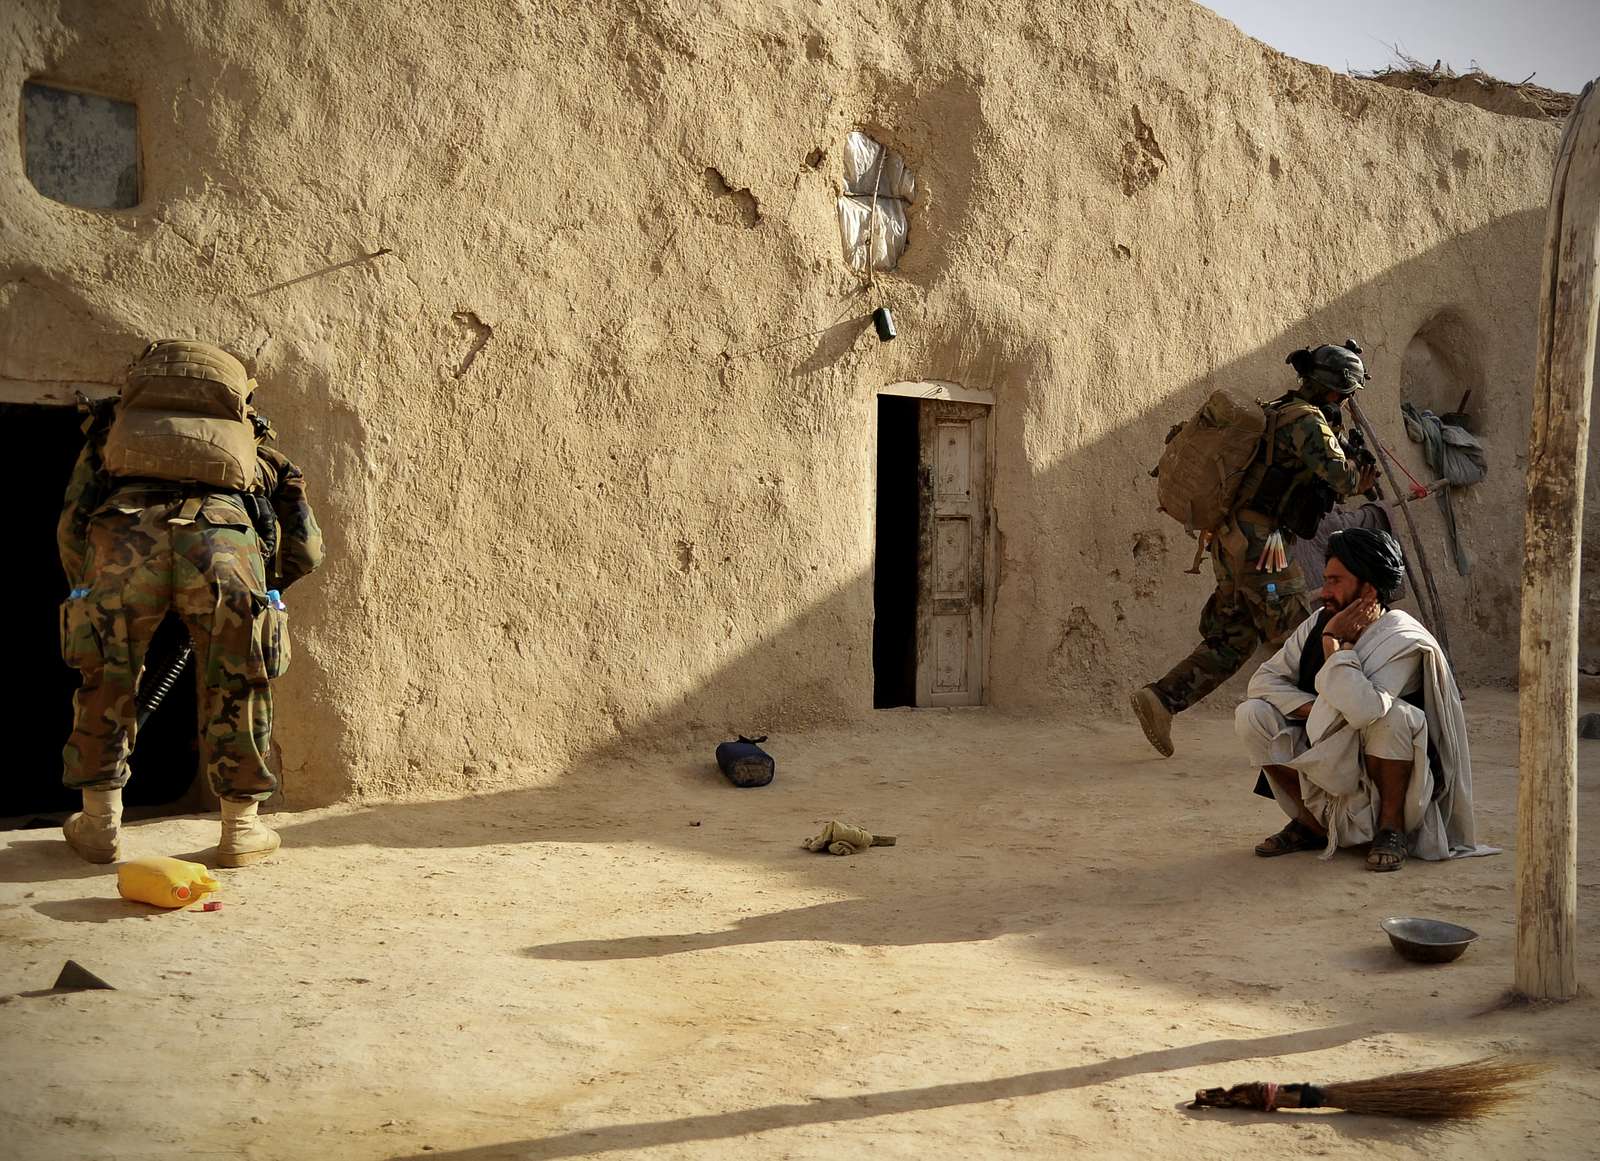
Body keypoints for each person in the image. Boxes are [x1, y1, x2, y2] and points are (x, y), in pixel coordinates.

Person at [57, 340, 323, 867]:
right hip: (224, 541)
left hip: (122, 535)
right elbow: (306, 545)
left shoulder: (115, 428)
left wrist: (86, 587)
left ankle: (98, 826)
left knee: (107, 676)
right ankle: (240, 831)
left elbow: (73, 521)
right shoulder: (253, 440)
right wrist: (265, 587)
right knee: (239, 683)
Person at [1130, 340, 1379, 757]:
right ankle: (1332, 731)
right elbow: (1341, 478)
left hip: (1236, 542)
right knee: (1302, 630)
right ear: (1337, 391)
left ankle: (1163, 699)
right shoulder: (1307, 422)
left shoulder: (1283, 410)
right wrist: (1361, 477)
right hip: (1266, 547)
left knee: (1234, 637)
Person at [1235, 527, 1475, 872]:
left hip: (1378, 760)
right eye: (1326, 579)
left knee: (1397, 717)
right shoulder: (1317, 623)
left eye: (1335, 581)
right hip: (1328, 749)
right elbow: (1263, 681)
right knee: (1252, 714)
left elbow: (1365, 710)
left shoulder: (1401, 638)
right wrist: (1318, 707)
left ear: (1369, 589)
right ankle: (1311, 824)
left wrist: (1334, 646)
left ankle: (1390, 829)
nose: (1325, 591)